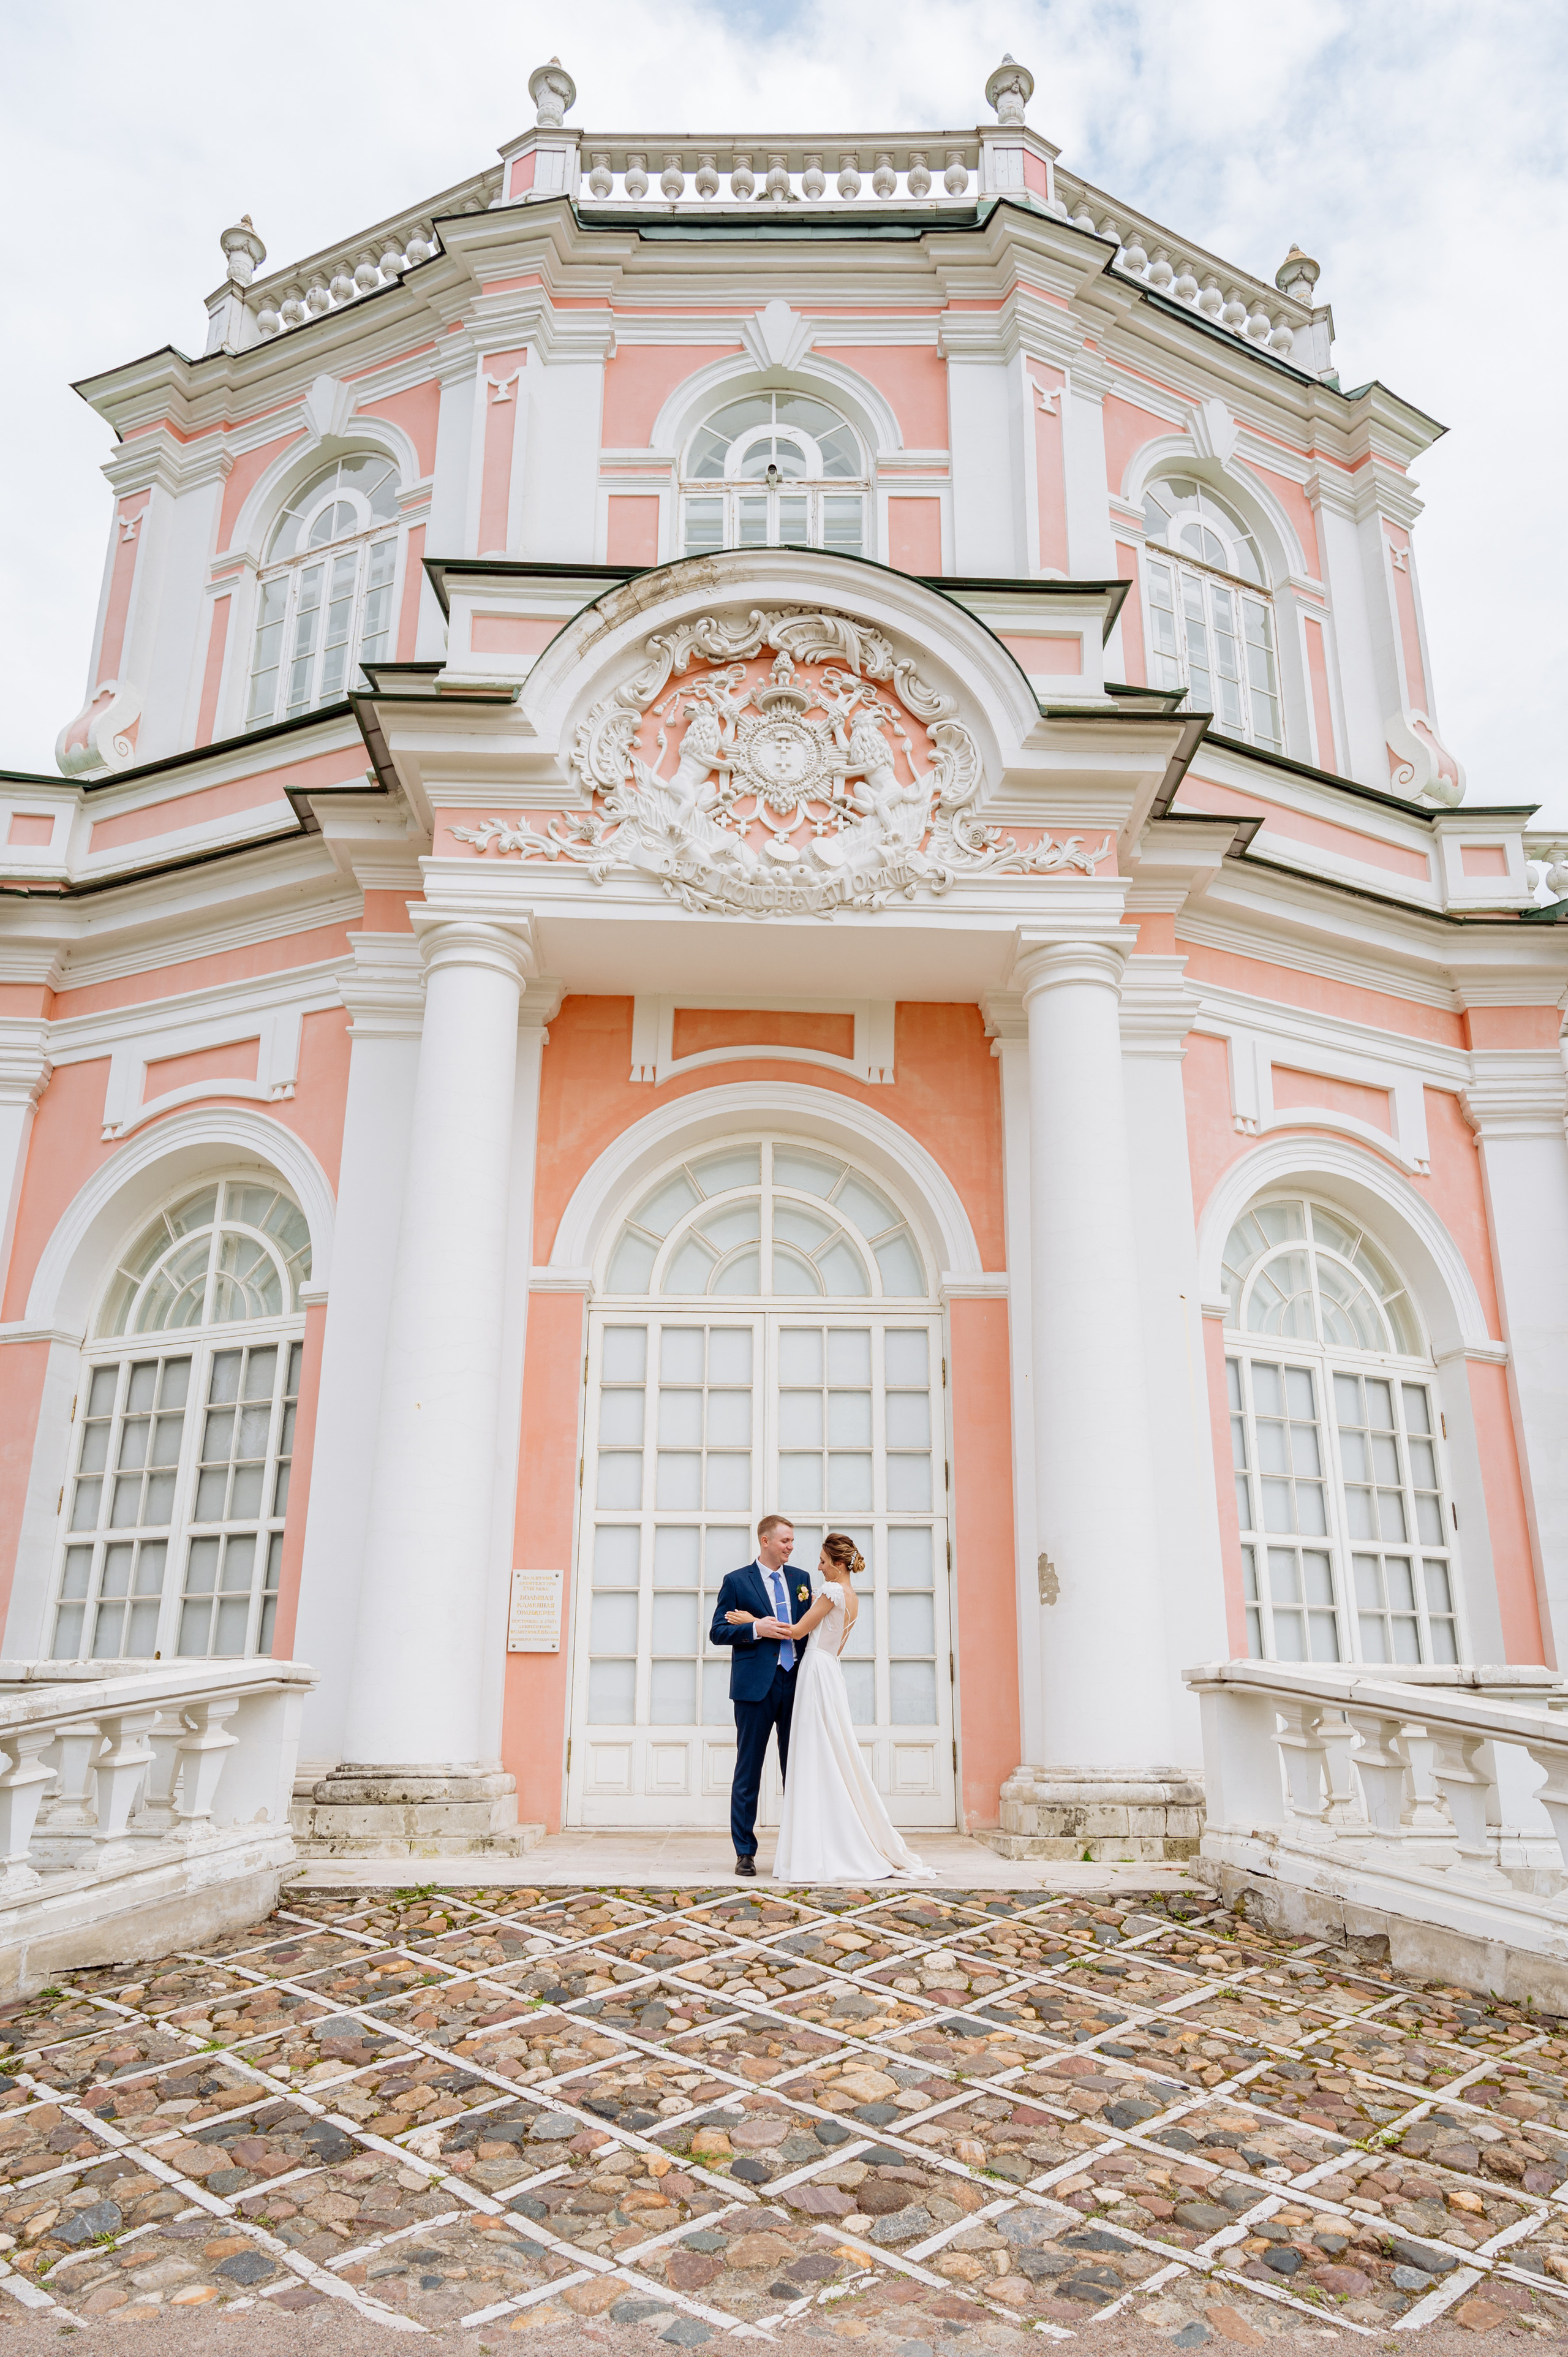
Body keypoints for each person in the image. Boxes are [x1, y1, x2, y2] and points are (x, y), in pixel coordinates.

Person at [726, 1532, 933, 1884]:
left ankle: (814, 1846)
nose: (816, 1566)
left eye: (823, 1562)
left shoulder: (829, 1591)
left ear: (838, 1565)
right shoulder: (852, 1597)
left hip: (810, 1674)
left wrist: (752, 1621)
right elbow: (834, 1643)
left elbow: (795, 1632)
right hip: (826, 1671)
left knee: (808, 1759)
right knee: (819, 1756)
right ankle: (767, 1847)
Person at [708, 1515, 811, 1877]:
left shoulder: (802, 1580)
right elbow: (718, 1632)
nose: (791, 1546)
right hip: (754, 1689)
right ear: (765, 1541)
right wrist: (756, 1628)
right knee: (748, 1770)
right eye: (785, 1540)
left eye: (792, 1541)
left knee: (795, 1769)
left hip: (795, 1683)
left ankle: (798, 1845)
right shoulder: (736, 1581)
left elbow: (809, 1632)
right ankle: (745, 1852)